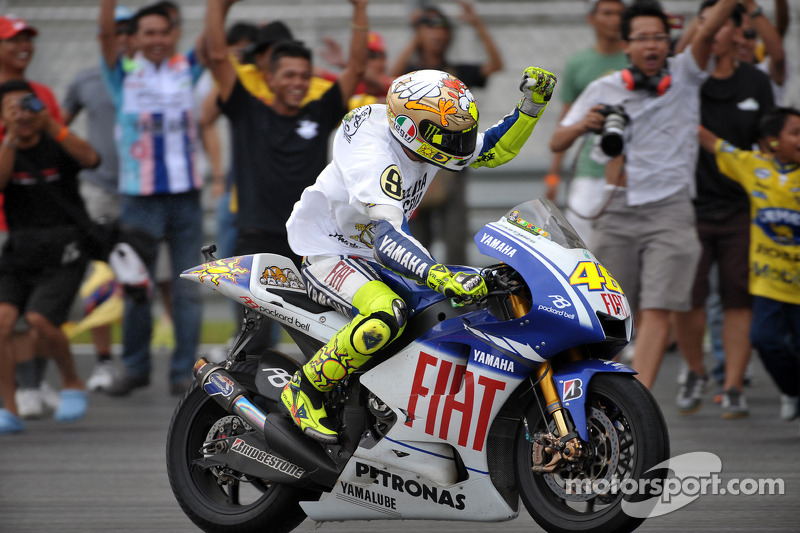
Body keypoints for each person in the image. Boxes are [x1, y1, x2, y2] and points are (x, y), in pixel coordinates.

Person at [281, 66, 556, 443]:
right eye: (449, 137)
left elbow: (492, 149)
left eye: (460, 136)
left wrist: (530, 106)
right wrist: (438, 273)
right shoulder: (373, 154)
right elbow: (389, 238)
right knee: (385, 316)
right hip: (331, 251)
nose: (457, 146)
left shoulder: (427, 132)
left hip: (376, 253)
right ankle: (305, 388)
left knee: (477, 299)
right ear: (411, 129)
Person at [549, 0, 740, 389]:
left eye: (659, 37)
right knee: (609, 312)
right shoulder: (604, 88)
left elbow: (706, 31)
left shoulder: (686, 74)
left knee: (658, 307)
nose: (652, 46)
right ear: (627, 45)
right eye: (642, 38)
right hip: (616, 209)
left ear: (668, 43)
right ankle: (596, 391)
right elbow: (557, 140)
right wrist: (586, 123)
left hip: (670, 208)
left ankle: (641, 400)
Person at [205, 0, 369, 269]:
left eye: (304, 76)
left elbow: (356, 70)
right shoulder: (246, 110)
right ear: (270, 79)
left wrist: (360, 8)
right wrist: (217, 6)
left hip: (308, 240)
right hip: (256, 237)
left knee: (315, 312)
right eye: (289, 75)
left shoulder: (319, 112)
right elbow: (217, 57)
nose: (297, 83)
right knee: (253, 313)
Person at [98, 0, 206, 396]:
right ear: (135, 38)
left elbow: (212, 37)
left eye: (164, 32)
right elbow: (106, 34)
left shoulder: (186, 67)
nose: (157, 39)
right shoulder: (122, 73)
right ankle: (135, 367)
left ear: (174, 33)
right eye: (149, 33)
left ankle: (184, 372)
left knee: (188, 289)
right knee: (135, 286)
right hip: (139, 199)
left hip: (185, 198)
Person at [673, 1, 774, 419]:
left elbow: (767, 144)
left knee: (738, 297)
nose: (712, 32)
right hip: (688, 205)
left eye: (720, 24)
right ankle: (696, 370)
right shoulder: (685, 80)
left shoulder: (756, 82)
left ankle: (733, 385)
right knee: (687, 298)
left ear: (736, 32)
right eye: (704, 24)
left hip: (739, 210)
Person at [0, 80, 100, 434]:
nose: (22, 113)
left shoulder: (55, 142)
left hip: (64, 250)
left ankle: (72, 381)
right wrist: (10, 135)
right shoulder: (6, 147)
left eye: (27, 105)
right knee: (3, 322)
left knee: (40, 319)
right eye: (13, 107)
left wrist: (51, 124)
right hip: (20, 252)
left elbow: (91, 159)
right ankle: (8, 408)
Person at [697, 107, 800, 428]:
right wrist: (678, 109)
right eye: (795, 132)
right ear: (772, 143)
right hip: (768, 285)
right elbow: (715, 144)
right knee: (764, 339)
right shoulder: (754, 167)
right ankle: (793, 390)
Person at [390, 2, 503, 266]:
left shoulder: (456, 72)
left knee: (455, 240)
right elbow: (391, 81)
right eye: (428, 30)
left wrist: (476, 23)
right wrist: (413, 39)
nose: (435, 37)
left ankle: (459, 296)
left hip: (452, 169)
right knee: (416, 244)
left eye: (440, 31)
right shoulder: (411, 74)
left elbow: (495, 65)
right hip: (416, 166)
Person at [60, 4, 135, 392]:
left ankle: (159, 360)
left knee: (155, 277)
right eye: (116, 29)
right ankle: (105, 361)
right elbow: (58, 129)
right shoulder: (86, 80)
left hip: (142, 191)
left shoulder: (149, 78)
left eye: (129, 30)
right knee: (100, 278)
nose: (122, 37)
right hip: (99, 189)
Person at [0, 14, 69, 419]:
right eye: (13, 40)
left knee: (41, 313)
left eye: (27, 39)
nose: (22, 47)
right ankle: (19, 390)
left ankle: (33, 381)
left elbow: (55, 148)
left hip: (39, 220)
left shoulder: (41, 92)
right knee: (8, 316)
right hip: (5, 220)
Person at [545, 0, 627, 243]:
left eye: (620, 14)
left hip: (628, 175)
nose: (614, 19)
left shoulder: (637, 60)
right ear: (592, 18)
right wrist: (553, 175)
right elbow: (566, 120)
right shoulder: (578, 64)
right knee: (583, 247)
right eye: (607, 13)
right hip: (588, 172)